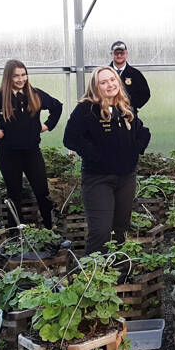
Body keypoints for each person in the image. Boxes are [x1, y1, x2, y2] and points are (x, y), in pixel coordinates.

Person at [63, 66, 151, 254]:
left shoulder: (125, 106)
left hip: (126, 178)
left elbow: (142, 132)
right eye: (103, 82)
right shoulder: (87, 109)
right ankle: (92, 275)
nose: (110, 84)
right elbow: (70, 138)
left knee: (120, 229)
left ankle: (117, 273)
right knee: (101, 231)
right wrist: (97, 156)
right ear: (96, 86)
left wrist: (134, 150)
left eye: (112, 80)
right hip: (98, 179)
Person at [0, 59, 62, 229]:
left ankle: (49, 229)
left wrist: (47, 125)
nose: (20, 79)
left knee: (42, 192)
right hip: (8, 153)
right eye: (16, 76)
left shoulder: (35, 94)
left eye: (23, 75)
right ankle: (15, 234)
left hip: (32, 152)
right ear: (8, 77)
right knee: (14, 193)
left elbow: (57, 107)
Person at [109, 40, 150, 112]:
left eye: (122, 53)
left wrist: (130, 105)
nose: (119, 55)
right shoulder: (104, 73)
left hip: (129, 114)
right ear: (111, 54)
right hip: (108, 114)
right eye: (116, 53)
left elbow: (145, 94)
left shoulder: (136, 74)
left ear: (126, 54)